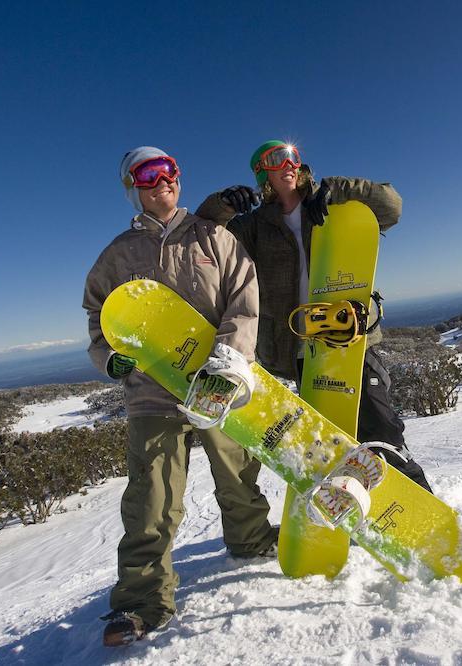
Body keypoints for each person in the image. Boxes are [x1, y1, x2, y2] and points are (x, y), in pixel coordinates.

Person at [84, 146, 277, 647]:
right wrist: (108, 357)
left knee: (237, 474)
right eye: (146, 175)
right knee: (151, 498)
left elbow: (244, 298)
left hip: (216, 380)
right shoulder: (117, 254)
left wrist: (229, 362)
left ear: (178, 178)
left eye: (167, 171)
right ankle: (142, 601)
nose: (160, 181)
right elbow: (99, 317)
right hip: (152, 391)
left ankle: (251, 540)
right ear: (132, 186)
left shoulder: (214, 237)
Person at [197, 141, 432, 492]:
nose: (289, 163)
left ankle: (416, 506)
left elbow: (391, 205)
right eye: (277, 158)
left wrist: (337, 189)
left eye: (293, 155)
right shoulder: (254, 227)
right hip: (299, 348)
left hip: (350, 338)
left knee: (382, 429)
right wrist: (223, 204)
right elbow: (203, 235)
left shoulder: (330, 201)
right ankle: (350, 509)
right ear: (263, 173)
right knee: (332, 440)